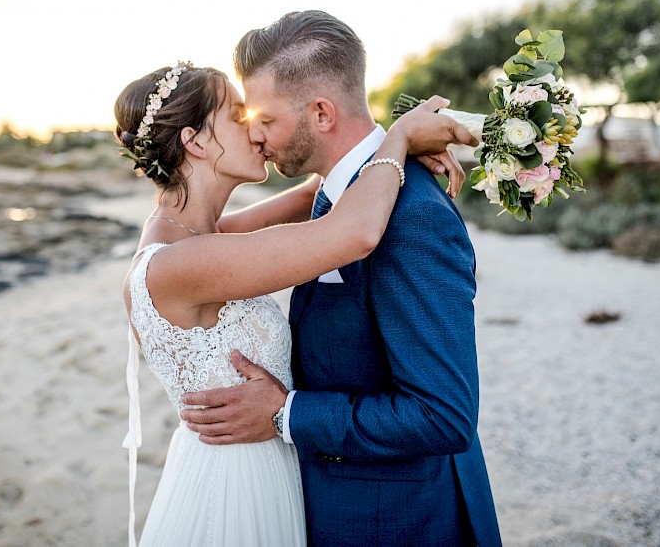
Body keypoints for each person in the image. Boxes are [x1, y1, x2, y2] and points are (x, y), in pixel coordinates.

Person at [115, 60, 475, 546]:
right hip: (236, 484)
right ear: (195, 141)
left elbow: (321, 190)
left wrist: (393, 148)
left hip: (269, 465)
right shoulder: (180, 264)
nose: (257, 131)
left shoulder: (203, 236)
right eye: (240, 116)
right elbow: (353, 232)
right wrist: (401, 140)